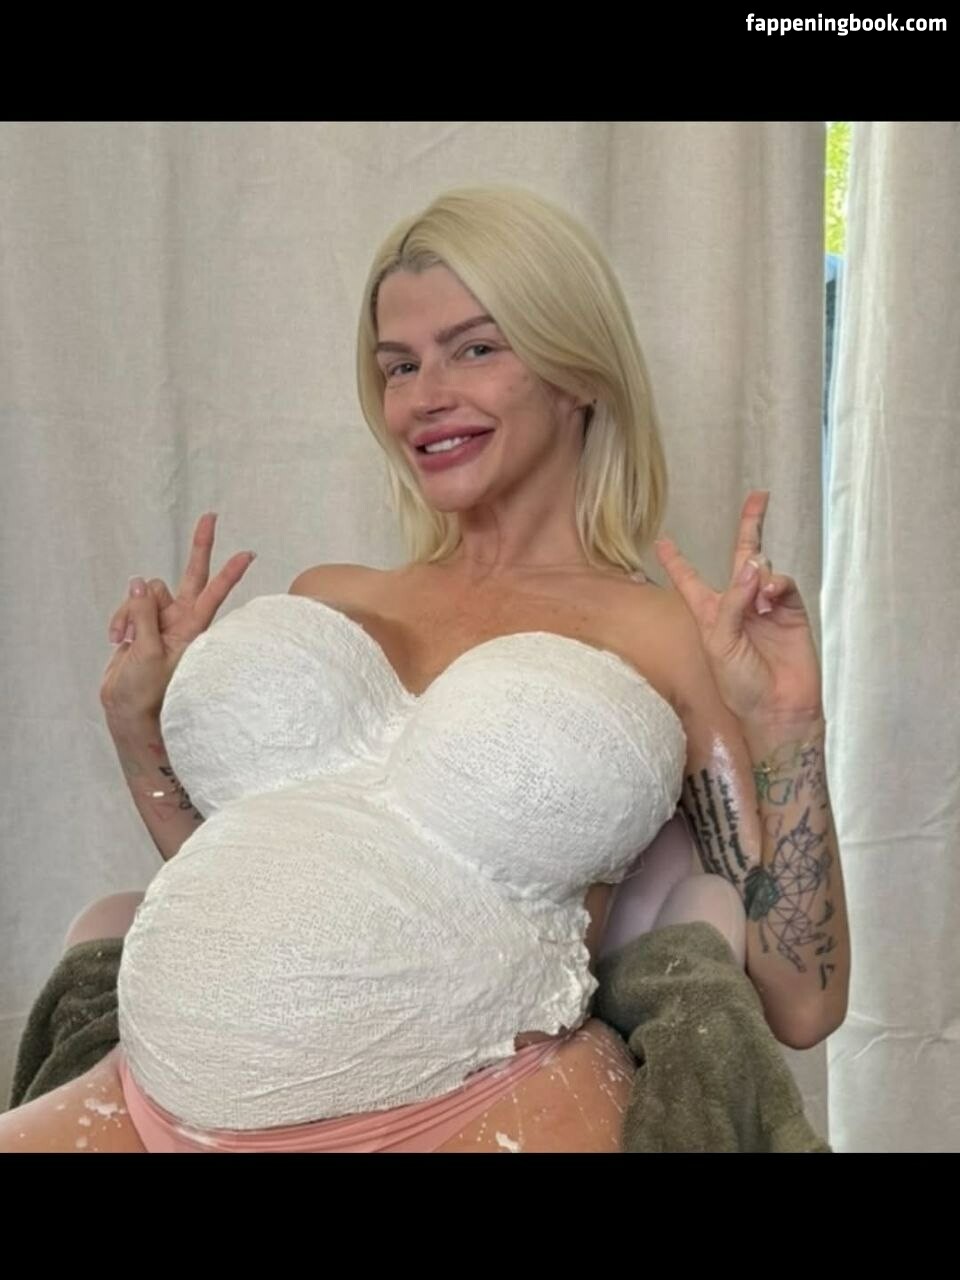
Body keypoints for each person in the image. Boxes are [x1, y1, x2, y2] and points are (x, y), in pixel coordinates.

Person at [0, 187, 849, 1153]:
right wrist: (137, 727)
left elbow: (800, 1003)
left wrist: (789, 729)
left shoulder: (662, 635)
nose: (424, 397)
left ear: (579, 372)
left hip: (495, 1105)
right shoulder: (331, 598)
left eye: (474, 349)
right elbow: (259, 881)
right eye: (399, 366)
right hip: (170, 1095)